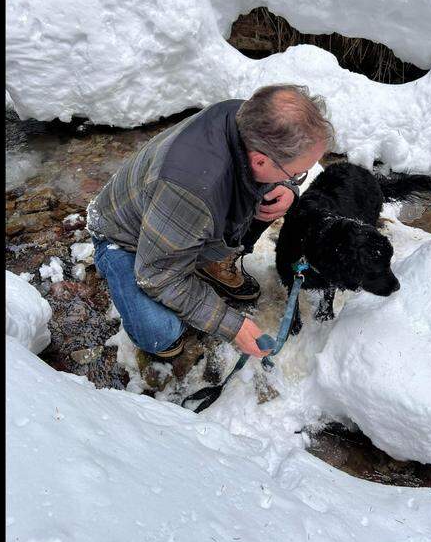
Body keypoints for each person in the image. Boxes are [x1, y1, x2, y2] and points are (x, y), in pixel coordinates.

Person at [86, 84, 332, 362]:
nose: (298, 178)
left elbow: (267, 175)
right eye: (298, 173)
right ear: (260, 161)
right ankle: (114, 262)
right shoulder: (191, 193)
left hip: (177, 215)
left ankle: (209, 262)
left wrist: (287, 186)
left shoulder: (249, 119)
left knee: (272, 198)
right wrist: (233, 326)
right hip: (125, 238)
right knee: (161, 332)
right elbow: (156, 277)